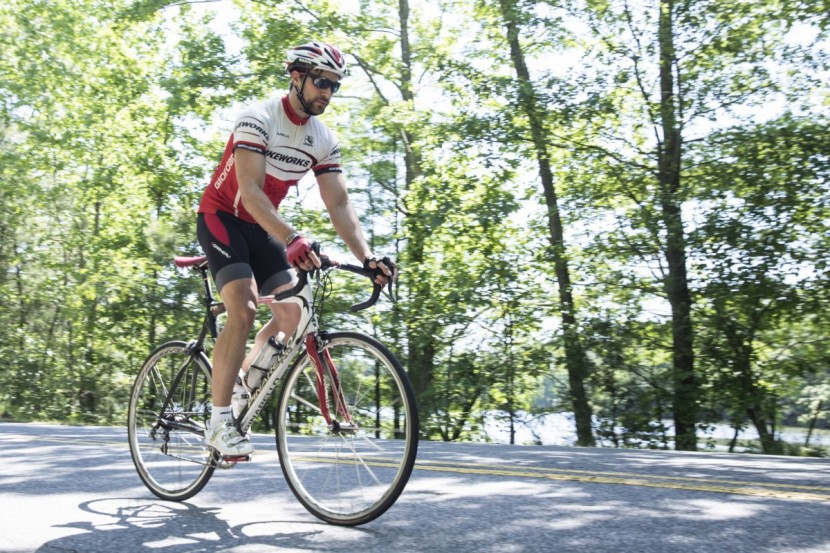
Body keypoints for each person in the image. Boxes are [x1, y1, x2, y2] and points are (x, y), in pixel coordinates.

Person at [196, 41, 397, 456]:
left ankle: (241, 387)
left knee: (292, 313)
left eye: (334, 86)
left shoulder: (322, 139)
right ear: (297, 76)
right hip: (223, 218)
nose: (327, 92)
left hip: (263, 226)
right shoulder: (258, 119)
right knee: (245, 308)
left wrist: (368, 257)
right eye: (322, 82)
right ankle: (217, 422)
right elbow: (250, 194)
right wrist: (292, 237)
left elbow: (338, 203)